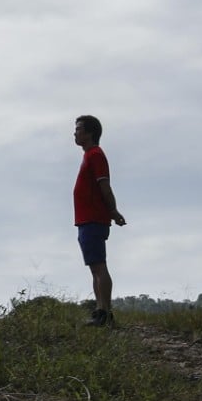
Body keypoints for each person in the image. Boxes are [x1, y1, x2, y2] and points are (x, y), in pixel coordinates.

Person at [73, 115, 126, 327]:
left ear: (89, 133)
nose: (75, 133)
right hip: (87, 220)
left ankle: (106, 313)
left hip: (93, 219)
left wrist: (113, 211)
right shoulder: (89, 156)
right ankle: (100, 311)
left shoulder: (95, 155)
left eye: (78, 129)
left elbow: (105, 186)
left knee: (99, 266)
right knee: (95, 267)